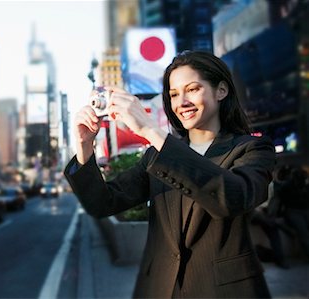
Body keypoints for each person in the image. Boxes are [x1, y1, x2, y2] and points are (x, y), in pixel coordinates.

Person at [64, 51, 275, 298]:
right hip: (161, 288)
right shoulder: (156, 156)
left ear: (221, 91)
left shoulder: (252, 148)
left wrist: (150, 129)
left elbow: (233, 197)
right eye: (174, 94)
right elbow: (103, 202)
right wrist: (84, 146)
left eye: (193, 89)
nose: (181, 102)